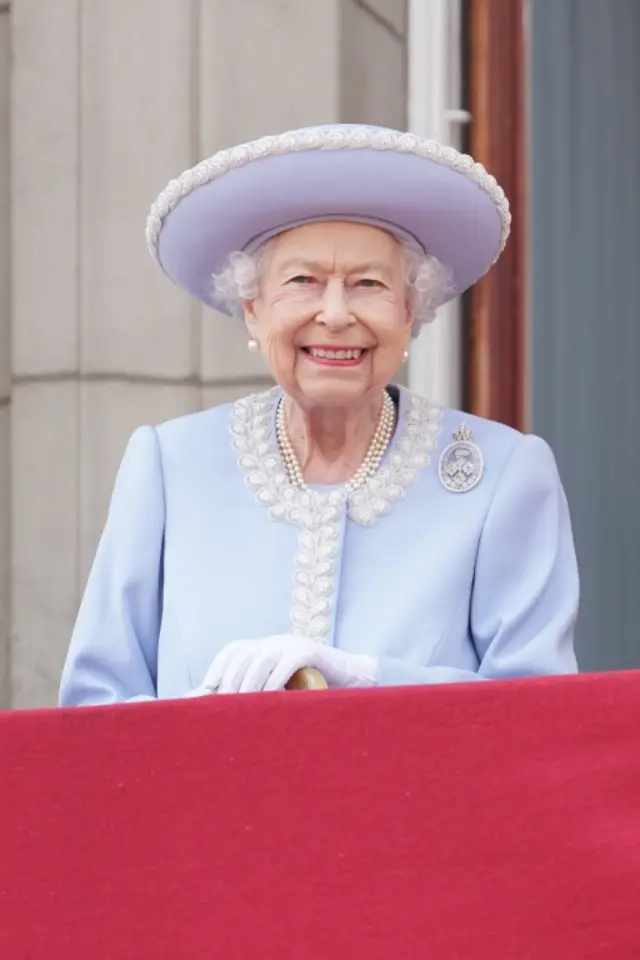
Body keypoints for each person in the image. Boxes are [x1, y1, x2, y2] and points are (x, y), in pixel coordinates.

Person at [59, 124, 579, 705]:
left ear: (411, 312)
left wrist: (364, 676)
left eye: (368, 284)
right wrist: (199, 725)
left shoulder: (504, 474)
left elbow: (539, 710)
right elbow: (94, 707)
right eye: (303, 281)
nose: (335, 314)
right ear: (252, 310)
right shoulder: (168, 465)